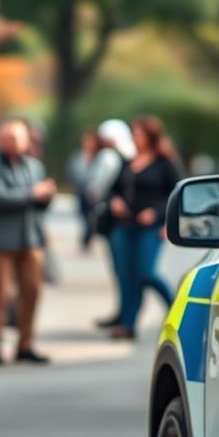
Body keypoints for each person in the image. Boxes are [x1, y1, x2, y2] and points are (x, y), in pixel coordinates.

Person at [0, 117, 56, 365]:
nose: (17, 142)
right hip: (2, 241)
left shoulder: (34, 166)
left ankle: (25, 344)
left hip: (31, 239)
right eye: (12, 137)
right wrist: (34, 194)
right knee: (1, 296)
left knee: (32, 292)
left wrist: (46, 196)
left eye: (21, 137)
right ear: (0, 140)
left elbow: (41, 205)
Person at [106, 115, 182, 340]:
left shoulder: (165, 162)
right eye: (134, 134)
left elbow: (177, 193)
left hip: (151, 227)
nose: (135, 138)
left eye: (139, 134)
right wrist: (115, 201)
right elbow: (113, 189)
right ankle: (128, 325)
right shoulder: (128, 161)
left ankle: (176, 307)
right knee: (126, 276)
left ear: (151, 137)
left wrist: (159, 215)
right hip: (124, 226)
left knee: (145, 273)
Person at [88, 118, 137, 328]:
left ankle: (126, 317)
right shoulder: (134, 157)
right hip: (128, 221)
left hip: (118, 222)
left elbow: (95, 187)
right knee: (124, 271)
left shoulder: (109, 157)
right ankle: (124, 314)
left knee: (125, 270)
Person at [66, 129, 100, 250]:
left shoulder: (100, 157)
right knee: (84, 216)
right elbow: (71, 172)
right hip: (81, 191)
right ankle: (86, 238)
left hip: (95, 193)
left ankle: (87, 238)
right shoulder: (77, 156)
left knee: (92, 216)